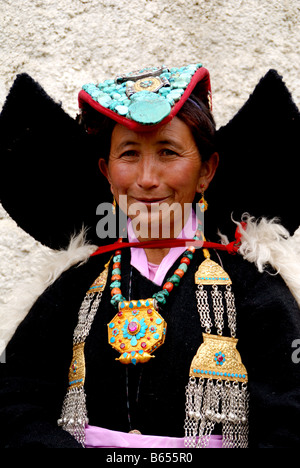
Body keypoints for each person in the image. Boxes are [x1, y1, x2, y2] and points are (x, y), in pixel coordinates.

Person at [0, 62, 300, 449]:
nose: (146, 178)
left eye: (167, 152)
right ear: (107, 172)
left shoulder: (252, 286)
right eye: (129, 154)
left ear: (207, 170)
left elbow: (291, 415)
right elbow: (14, 395)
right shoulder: (76, 285)